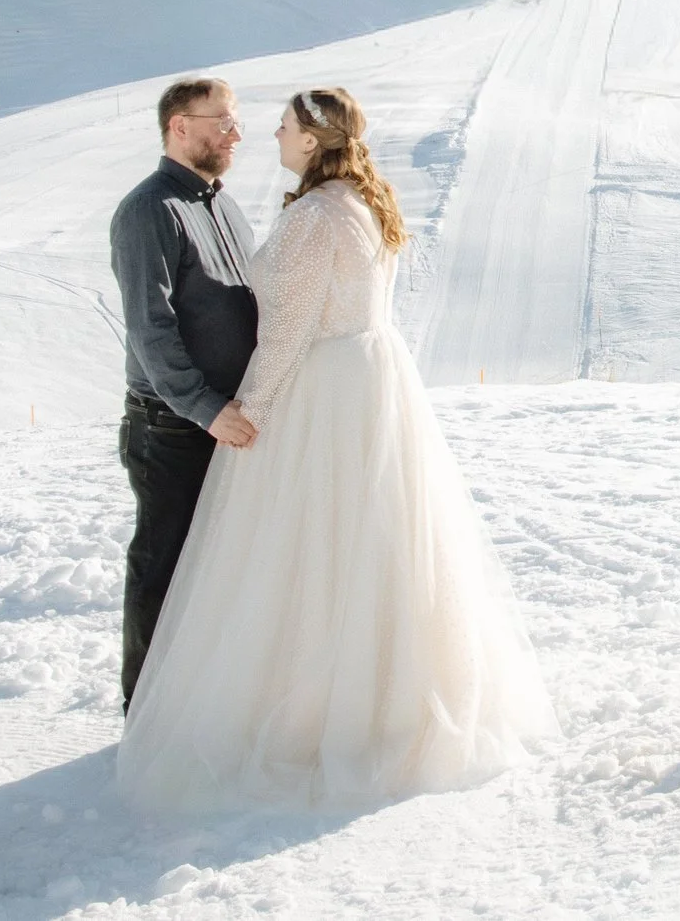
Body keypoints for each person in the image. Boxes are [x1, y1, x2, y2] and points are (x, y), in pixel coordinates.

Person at [117, 86, 557, 810]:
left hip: (319, 392)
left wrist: (247, 413)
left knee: (302, 551)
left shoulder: (311, 216)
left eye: (283, 125)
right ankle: (383, 694)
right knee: (368, 546)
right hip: (367, 386)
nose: (267, 133)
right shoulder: (357, 202)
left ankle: (302, 706)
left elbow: (285, 329)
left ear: (315, 139)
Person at [110, 78, 260, 713]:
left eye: (235, 120)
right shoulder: (150, 210)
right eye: (221, 121)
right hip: (173, 426)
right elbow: (151, 326)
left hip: (225, 420)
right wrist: (205, 409)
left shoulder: (219, 201)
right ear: (179, 125)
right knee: (164, 566)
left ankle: (198, 705)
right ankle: (144, 713)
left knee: (218, 568)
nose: (235, 133)